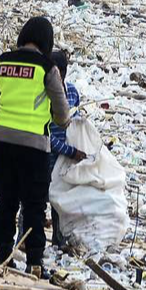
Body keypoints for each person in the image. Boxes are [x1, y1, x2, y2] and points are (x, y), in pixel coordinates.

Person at [0, 16, 69, 274]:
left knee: (6, 200)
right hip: (33, 144)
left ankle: (3, 256)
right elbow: (63, 115)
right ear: (47, 41)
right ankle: (34, 261)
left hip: (1, 140)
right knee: (33, 204)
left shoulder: (2, 62)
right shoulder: (48, 67)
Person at [46, 49, 86, 248]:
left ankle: (59, 241)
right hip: (46, 156)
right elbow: (46, 135)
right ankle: (24, 240)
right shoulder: (43, 95)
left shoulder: (72, 92)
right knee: (35, 200)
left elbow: (76, 124)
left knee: (60, 202)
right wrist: (70, 151)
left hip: (65, 160)